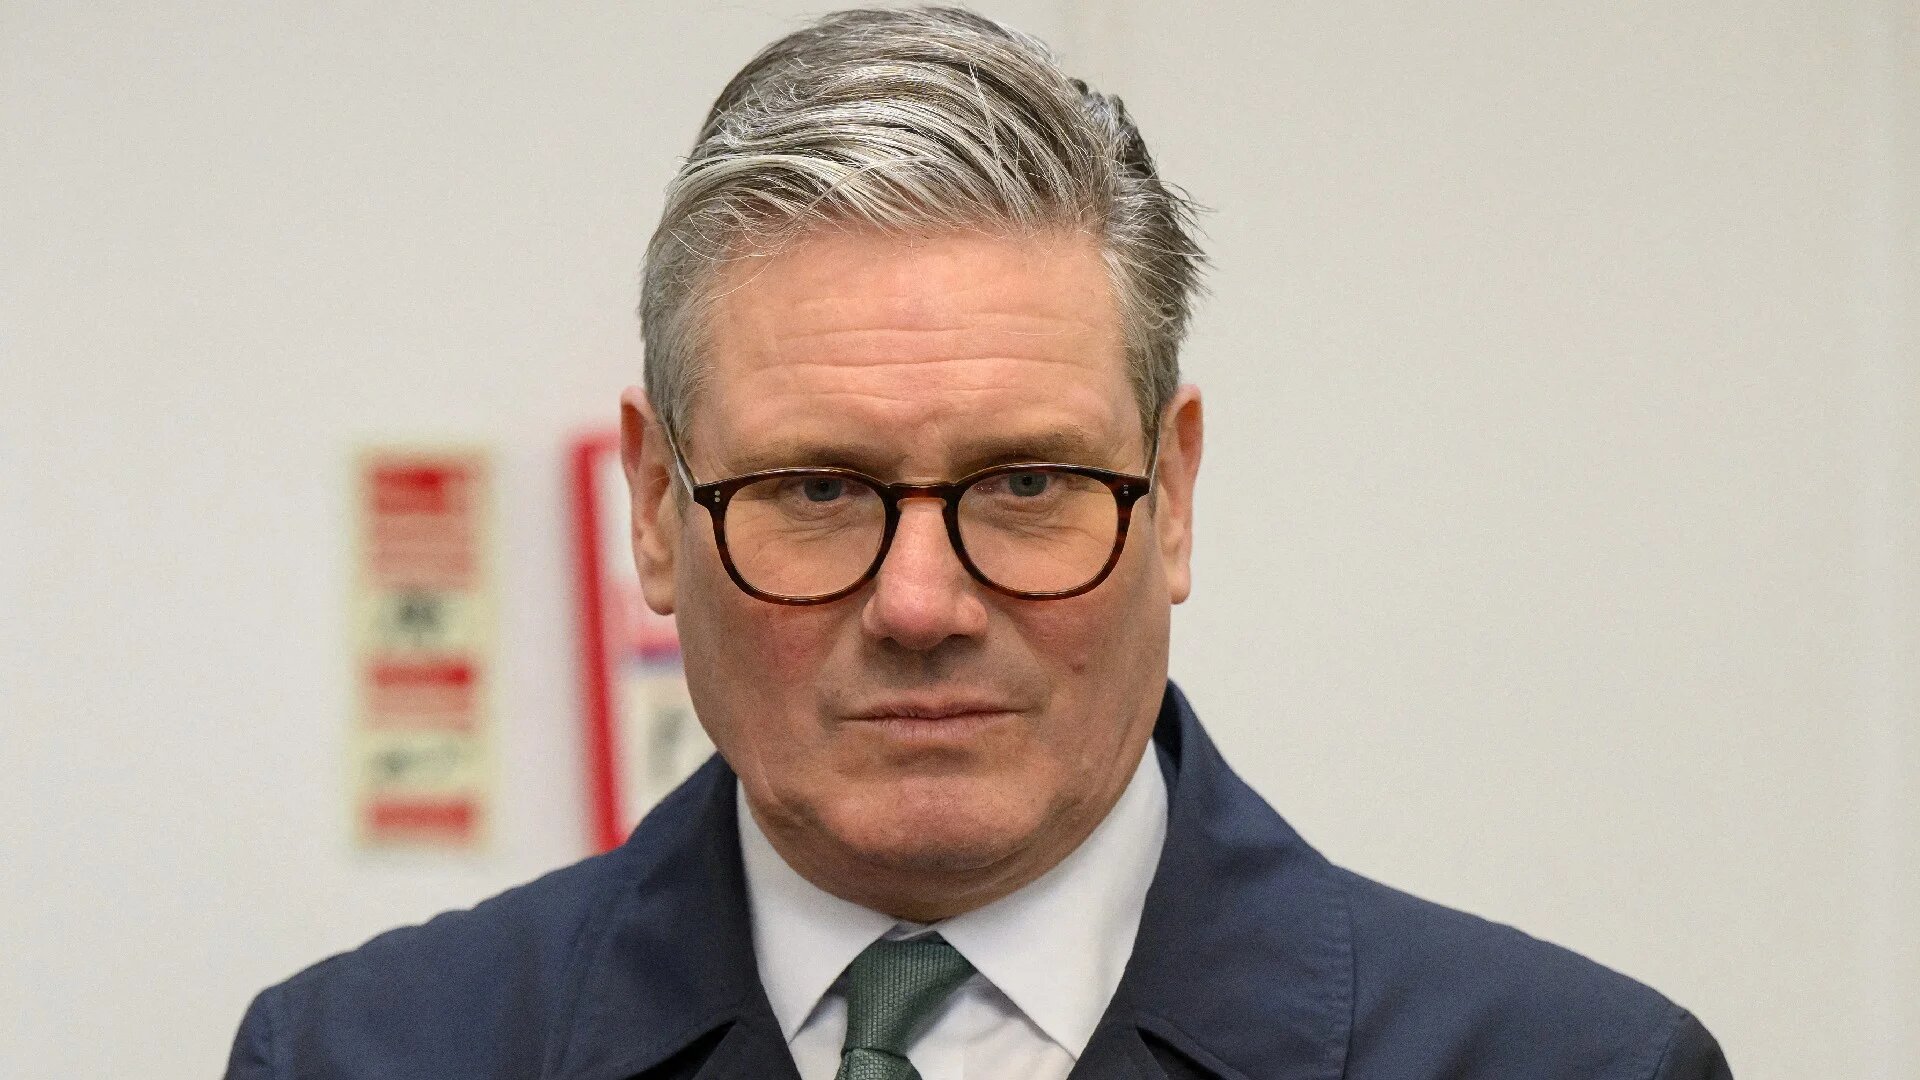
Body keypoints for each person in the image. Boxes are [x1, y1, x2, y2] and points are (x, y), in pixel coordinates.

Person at [226, 8, 1732, 1079]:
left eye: (1025, 484)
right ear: (655, 511)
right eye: (816, 490)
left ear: (1176, 491)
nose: (924, 602)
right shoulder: (361, 1057)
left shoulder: (1570, 1063)